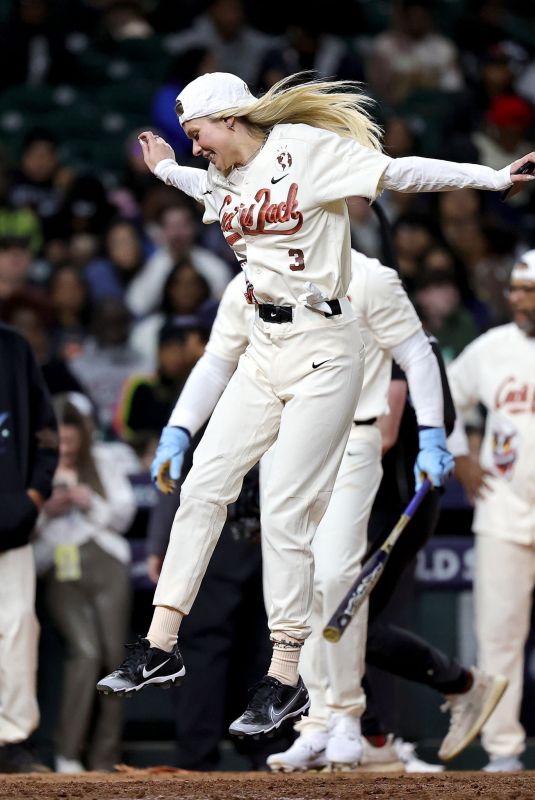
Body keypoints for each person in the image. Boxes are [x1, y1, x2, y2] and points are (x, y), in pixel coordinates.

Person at [96, 70, 535, 738]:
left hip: (325, 348)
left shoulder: (303, 150)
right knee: (204, 486)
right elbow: (202, 186)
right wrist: (163, 174)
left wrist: (492, 178)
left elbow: (398, 172)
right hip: (260, 345)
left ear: (231, 117)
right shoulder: (220, 176)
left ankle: (283, 679)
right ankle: (159, 646)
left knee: (283, 513)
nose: (194, 148)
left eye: (197, 134)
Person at [446, 249, 535, 772]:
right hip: (502, 508)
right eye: (515, 289)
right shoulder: (492, 348)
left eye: (527, 290)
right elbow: (444, 397)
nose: (516, 299)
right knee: (498, 634)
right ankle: (504, 750)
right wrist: (459, 455)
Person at [34, 396, 136, 773]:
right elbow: (21, 526)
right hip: (61, 567)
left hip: (106, 560)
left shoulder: (103, 460)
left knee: (115, 661)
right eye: (59, 442)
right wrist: (49, 508)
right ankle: (67, 752)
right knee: (86, 652)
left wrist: (89, 499)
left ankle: (105, 758)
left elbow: (122, 516)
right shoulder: (36, 465)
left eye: (72, 442)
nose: (66, 449)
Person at [0, 321, 58, 773]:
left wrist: (33, 496)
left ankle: (11, 739)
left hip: (9, 525)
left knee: (18, 626)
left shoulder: (14, 348)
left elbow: (46, 433)